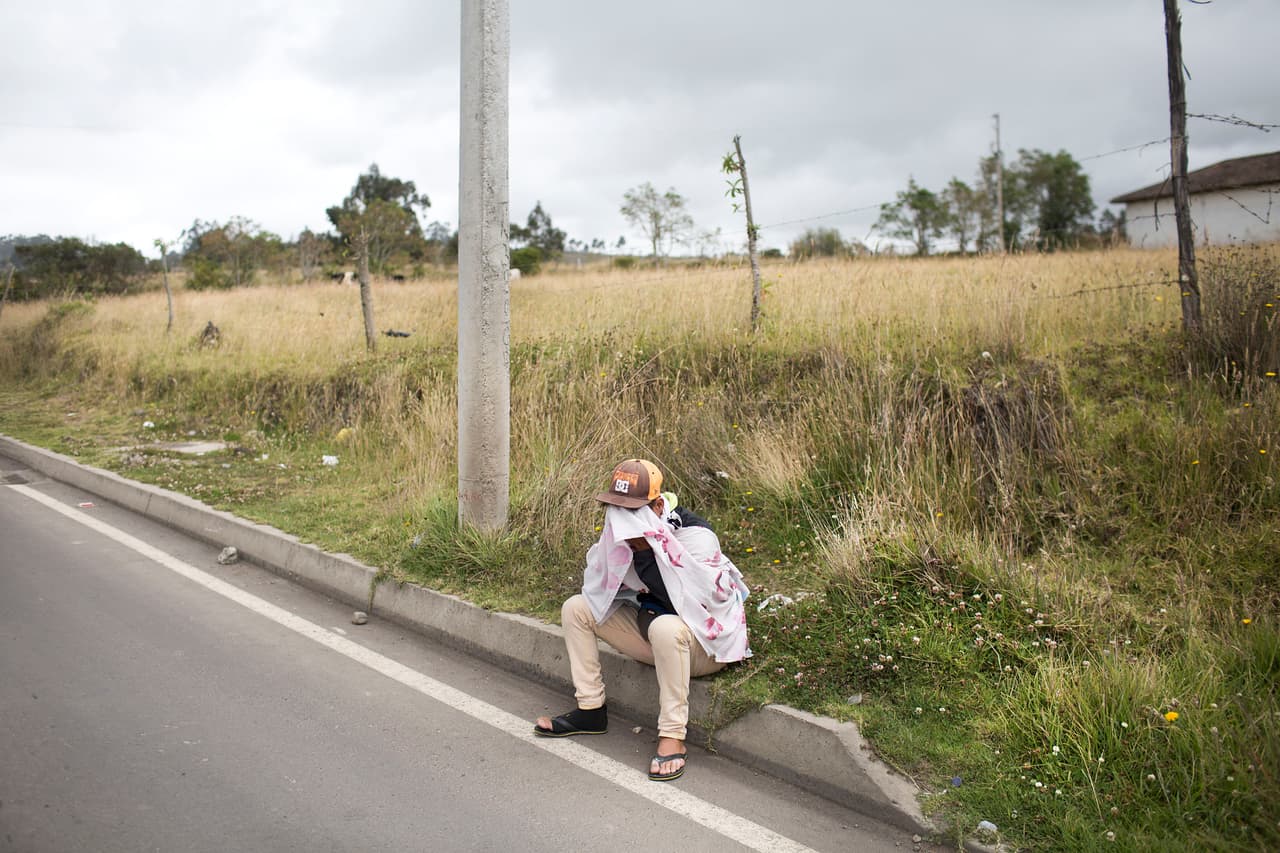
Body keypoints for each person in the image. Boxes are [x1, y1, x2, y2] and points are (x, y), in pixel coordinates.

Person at [533, 458, 751, 782]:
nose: (622, 522)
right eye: (616, 510)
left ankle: (673, 735)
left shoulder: (695, 537)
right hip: (654, 636)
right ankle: (591, 710)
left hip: (703, 647)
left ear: (658, 506)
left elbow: (695, 607)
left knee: (665, 627)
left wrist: (649, 553)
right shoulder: (623, 539)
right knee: (577, 608)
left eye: (632, 513)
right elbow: (601, 588)